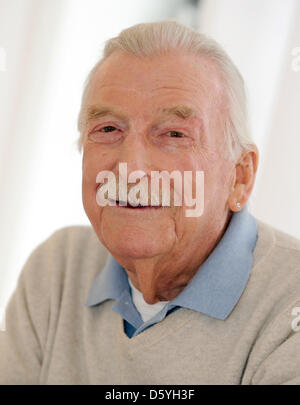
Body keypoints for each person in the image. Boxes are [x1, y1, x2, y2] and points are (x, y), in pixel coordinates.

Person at [1, 20, 300, 385]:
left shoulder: (290, 308)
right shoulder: (58, 270)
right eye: (109, 129)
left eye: (174, 134)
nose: (132, 169)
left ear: (239, 176)